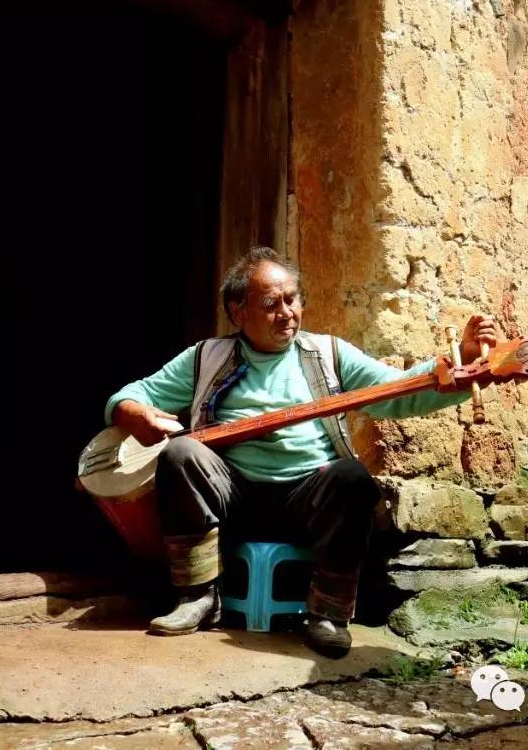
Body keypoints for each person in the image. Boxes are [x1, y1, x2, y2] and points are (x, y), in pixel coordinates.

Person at [105, 247, 499, 658]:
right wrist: (132, 414)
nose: (287, 313)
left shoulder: (328, 355)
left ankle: (328, 614)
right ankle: (198, 598)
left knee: (351, 478)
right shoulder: (207, 356)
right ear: (238, 313)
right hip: (230, 500)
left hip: (308, 500)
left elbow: (396, 392)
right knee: (181, 453)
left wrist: (465, 361)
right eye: (270, 304)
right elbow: (133, 394)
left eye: (292, 299)